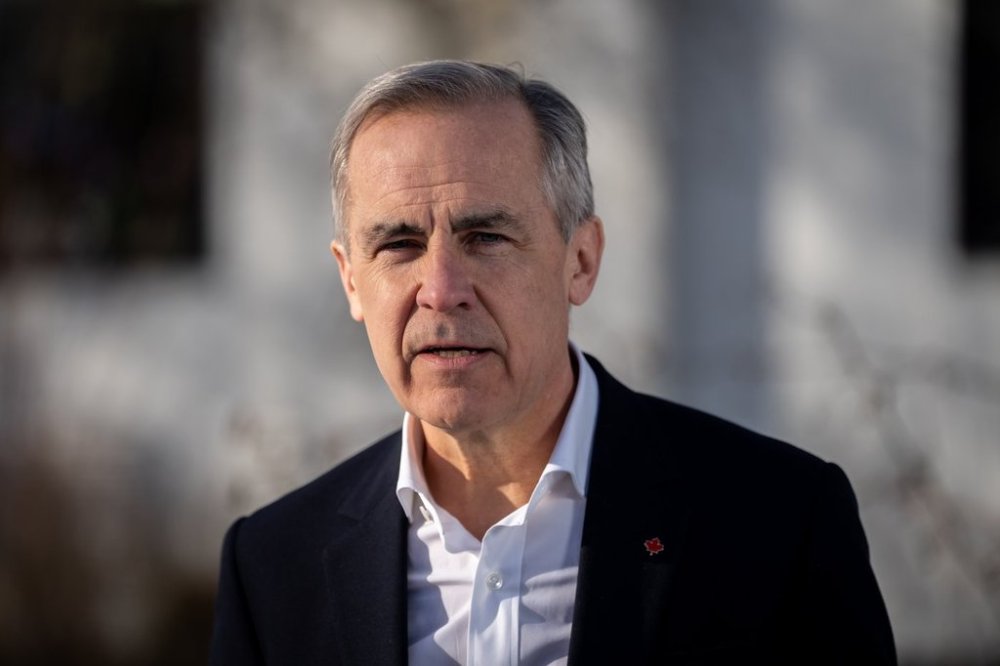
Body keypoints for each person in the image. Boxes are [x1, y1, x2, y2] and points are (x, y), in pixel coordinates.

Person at [209, 60, 896, 665]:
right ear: (351, 280)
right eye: (398, 245)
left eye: (485, 236)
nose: (442, 288)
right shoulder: (273, 569)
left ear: (581, 260)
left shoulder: (776, 523)